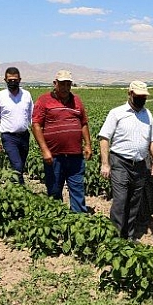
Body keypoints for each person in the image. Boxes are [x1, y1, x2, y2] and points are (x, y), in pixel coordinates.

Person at [98, 81, 153, 240]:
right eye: (138, 96)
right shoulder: (117, 113)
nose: (141, 99)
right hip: (120, 163)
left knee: (134, 202)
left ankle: (129, 237)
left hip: (140, 165)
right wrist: (105, 163)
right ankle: (115, 237)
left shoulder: (148, 114)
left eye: (144, 97)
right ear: (130, 93)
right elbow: (104, 138)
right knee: (120, 201)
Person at [32, 70, 92, 212]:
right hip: (54, 156)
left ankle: (79, 221)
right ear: (55, 83)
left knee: (77, 189)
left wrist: (88, 144)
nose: (65, 87)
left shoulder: (76, 101)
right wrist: (44, 150)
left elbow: (83, 123)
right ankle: (57, 218)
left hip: (75, 156)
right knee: (54, 189)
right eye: (62, 84)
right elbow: (36, 125)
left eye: (68, 84)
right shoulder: (44, 100)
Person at [0, 67, 33, 184]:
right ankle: (21, 190)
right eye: (10, 80)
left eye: (15, 80)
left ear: (20, 80)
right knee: (17, 166)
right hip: (9, 137)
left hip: (24, 136)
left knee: (20, 166)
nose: (13, 82)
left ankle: (14, 187)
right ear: (5, 80)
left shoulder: (26, 95)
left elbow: (31, 116)